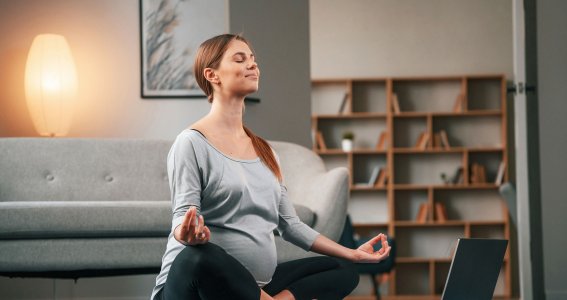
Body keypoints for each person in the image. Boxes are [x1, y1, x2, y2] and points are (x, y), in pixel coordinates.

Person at [151, 33, 391, 300]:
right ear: (212, 75)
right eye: (240, 59)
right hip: (194, 288)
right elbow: (183, 216)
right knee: (198, 256)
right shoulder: (191, 143)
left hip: (256, 286)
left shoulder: (266, 152)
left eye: (253, 60)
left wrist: (352, 252)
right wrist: (187, 234)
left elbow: (290, 225)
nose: (253, 65)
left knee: (343, 267)